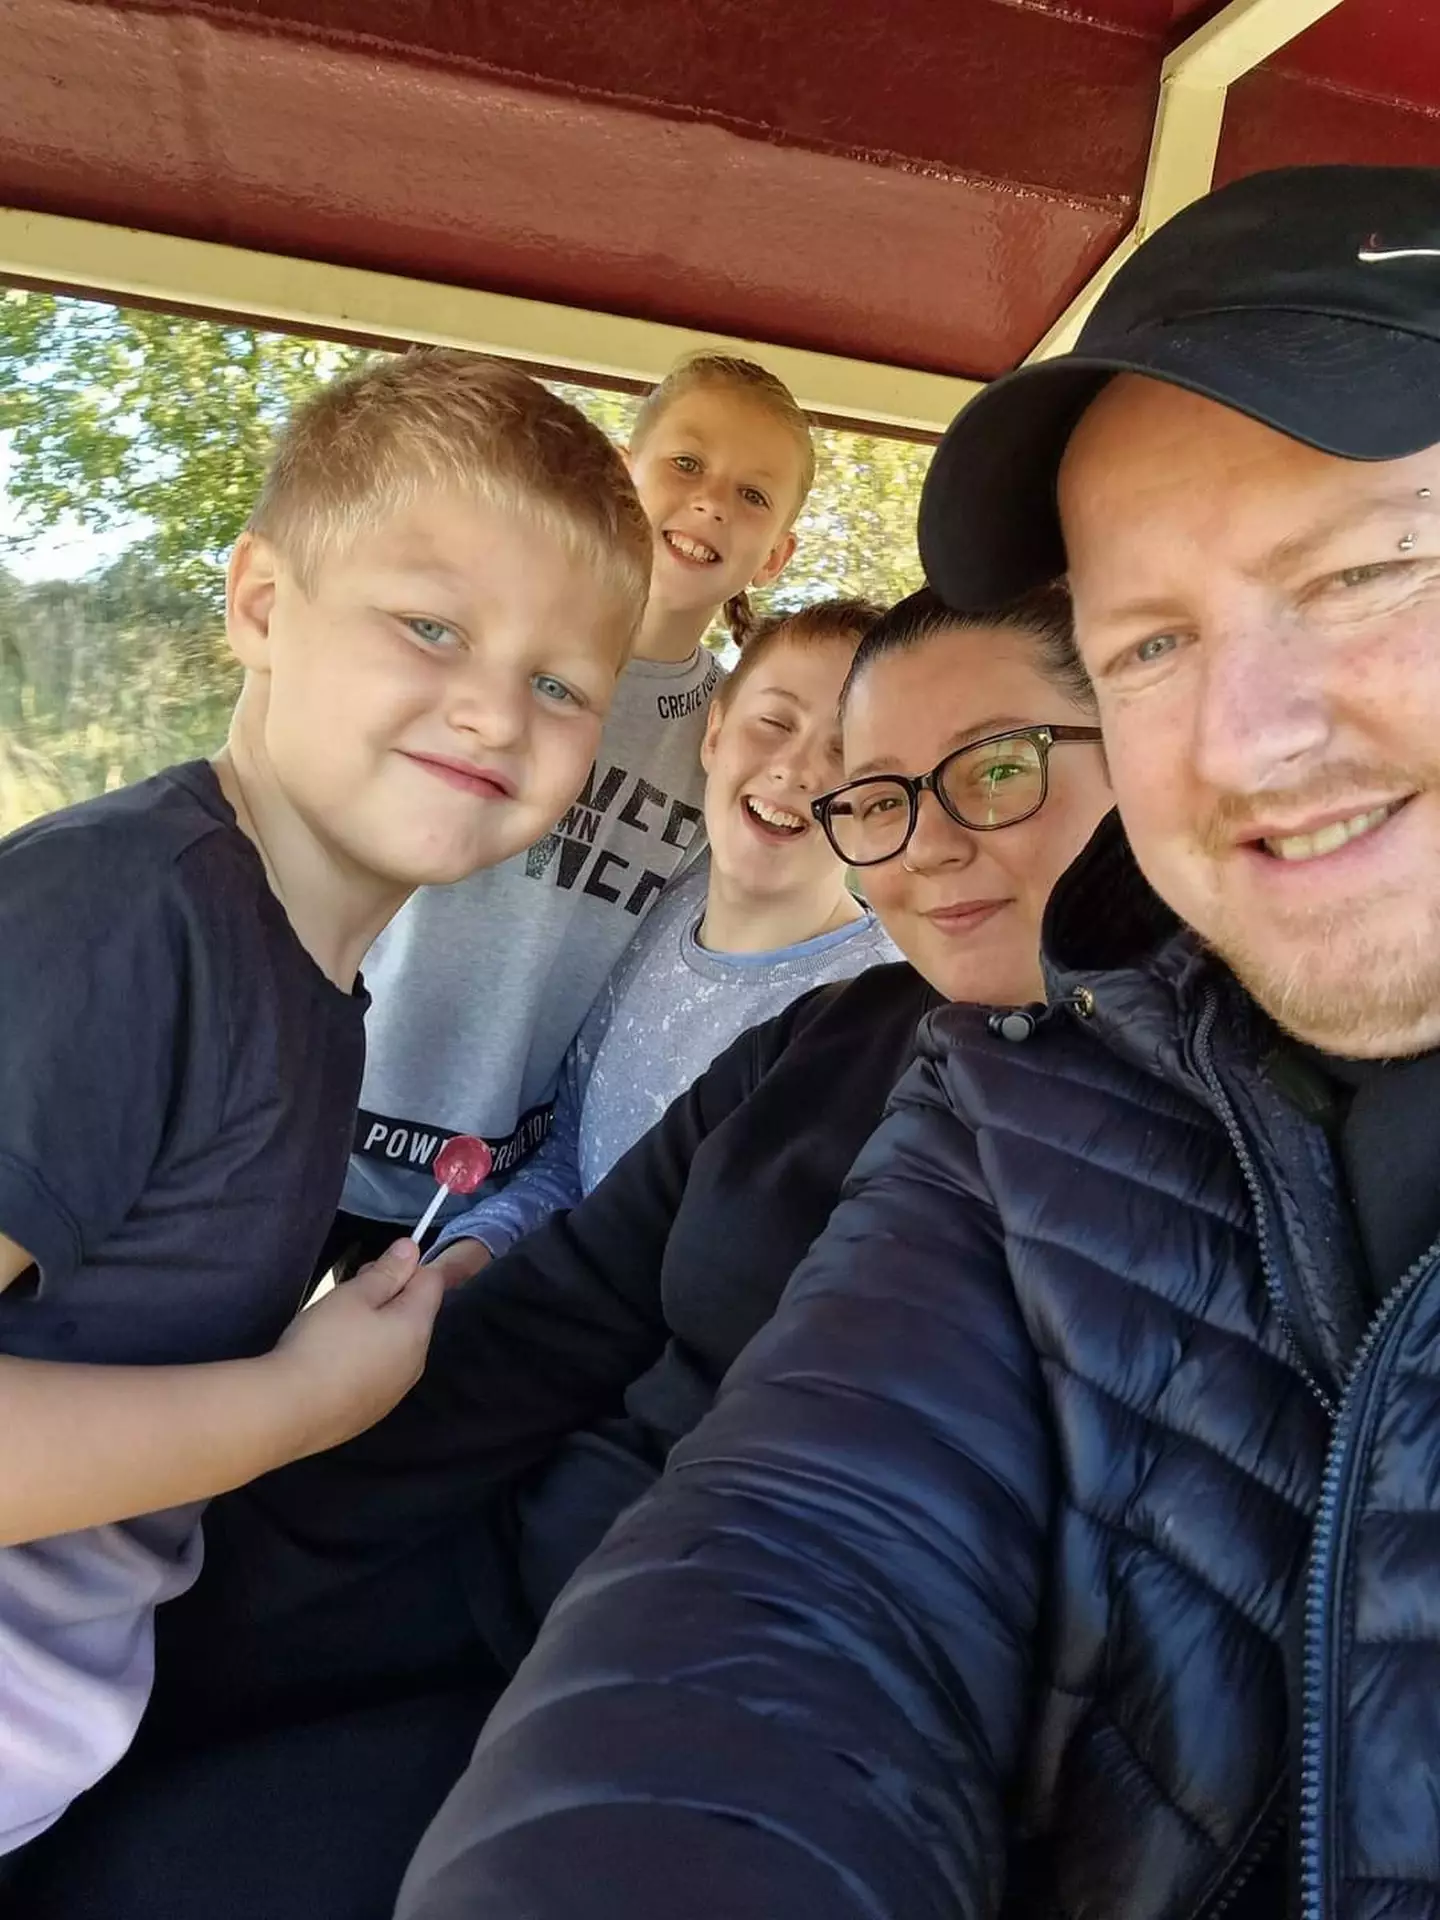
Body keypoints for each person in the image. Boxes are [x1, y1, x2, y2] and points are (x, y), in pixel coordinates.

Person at [373, 164, 1440, 1920]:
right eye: (1152, 640)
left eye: (1367, 572)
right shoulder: (1044, 1097)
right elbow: (797, 1562)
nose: (1244, 744)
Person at [9, 584, 1113, 1917]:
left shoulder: (1181, 1161)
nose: (924, 843)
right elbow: (569, 1301)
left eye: (994, 769)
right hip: (501, 1548)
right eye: (877, 796)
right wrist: (259, 1492)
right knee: (123, 1714)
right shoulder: (834, 1040)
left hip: (708, 1681)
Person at [0, 347, 651, 1874]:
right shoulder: (128, 924)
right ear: (261, 606)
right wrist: (302, 1409)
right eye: (432, 626)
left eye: (563, 683)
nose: (496, 710)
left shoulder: (307, 980)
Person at [335, 352, 815, 1271]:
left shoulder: (738, 747)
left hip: (488, 1183)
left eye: (754, 495)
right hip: (319, 1108)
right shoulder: (486, 655)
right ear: (621, 473)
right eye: (685, 464)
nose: (712, 501)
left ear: (778, 552)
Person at [430, 598, 898, 1279]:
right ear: (714, 735)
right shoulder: (658, 919)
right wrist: (458, 1267)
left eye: (848, 751)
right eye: (773, 722)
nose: (797, 770)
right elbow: (567, 1163)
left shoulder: (888, 1011)